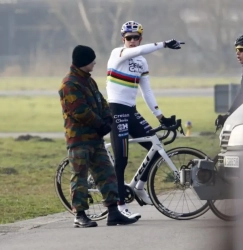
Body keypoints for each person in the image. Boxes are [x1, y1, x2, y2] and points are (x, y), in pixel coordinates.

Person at [106, 20, 184, 218]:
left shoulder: (142, 61)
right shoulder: (118, 53)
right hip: (116, 109)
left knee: (156, 147)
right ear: (123, 39)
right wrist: (164, 44)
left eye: (136, 38)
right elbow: (137, 51)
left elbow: (146, 91)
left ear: (141, 38)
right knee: (122, 159)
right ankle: (120, 204)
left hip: (131, 110)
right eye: (129, 38)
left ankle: (139, 187)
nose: (133, 41)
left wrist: (161, 117)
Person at [58, 45, 138, 227]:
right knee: (80, 177)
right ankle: (80, 215)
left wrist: (108, 117)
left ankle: (113, 212)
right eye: (92, 59)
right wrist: (101, 124)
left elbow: (101, 101)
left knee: (107, 174)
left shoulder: (88, 81)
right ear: (84, 61)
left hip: (95, 139)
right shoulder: (69, 84)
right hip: (79, 140)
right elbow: (80, 111)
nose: (95, 62)